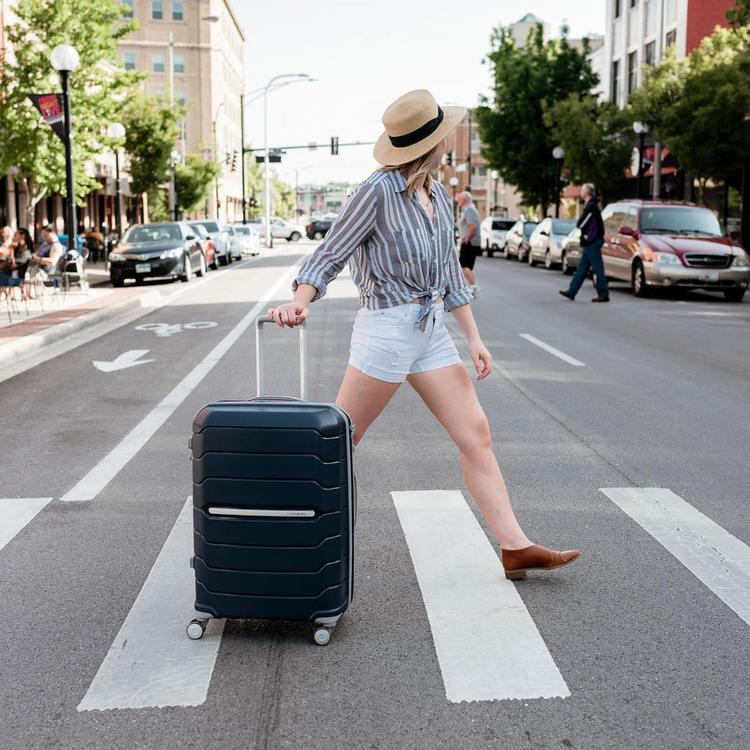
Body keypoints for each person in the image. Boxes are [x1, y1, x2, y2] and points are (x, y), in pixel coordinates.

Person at [267, 89, 580, 581]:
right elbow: (331, 252)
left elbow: (451, 274)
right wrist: (299, 301)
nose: (448, 143)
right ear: (428, 145)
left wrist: (473, 337)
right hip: (388, 328)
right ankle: (280, 536)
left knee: (475, 434)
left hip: (430, 328)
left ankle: (515, 546)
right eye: (443, 136)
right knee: (342, 441)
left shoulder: (435, 195)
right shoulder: (377, 191)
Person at [559, 183, 609, 303]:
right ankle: (572, 291)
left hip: (592, 242)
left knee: (598, 269)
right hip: (589, 242)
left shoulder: (591, 207)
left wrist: (580, 225)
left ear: (587, 193)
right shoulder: (591, 206)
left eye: (582, 190)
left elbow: (582, 223)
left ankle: (603, 294)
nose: (580, 192)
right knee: (582, 269)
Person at [456, 191, 481, 297]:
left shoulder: (469, 209)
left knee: (463, 265)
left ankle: (473, 286)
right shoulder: (468, 209)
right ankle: (472, 287)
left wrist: (466, 240)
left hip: (469, 242)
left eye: (460, 199)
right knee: (467, 267)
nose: (458, 201)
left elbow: (472, 226)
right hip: (470, 241)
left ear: (464, 199)